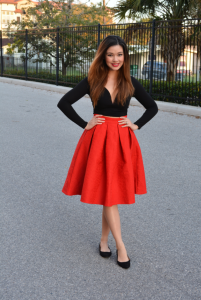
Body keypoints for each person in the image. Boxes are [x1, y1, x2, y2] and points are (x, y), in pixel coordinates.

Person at [57, 35, 158, 269]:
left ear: (125, 56)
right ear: (103, 56)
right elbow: (64, 103)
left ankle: (104, 241)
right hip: (98, 138)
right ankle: (121, 247)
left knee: (110, 193)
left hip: (122, 140)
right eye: (111, 54)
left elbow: (152, 107)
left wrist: (136, 124)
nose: (116, 59)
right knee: (109, 194)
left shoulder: (130, 82)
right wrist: (85, 124)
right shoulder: (92, 80)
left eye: (120, 54)